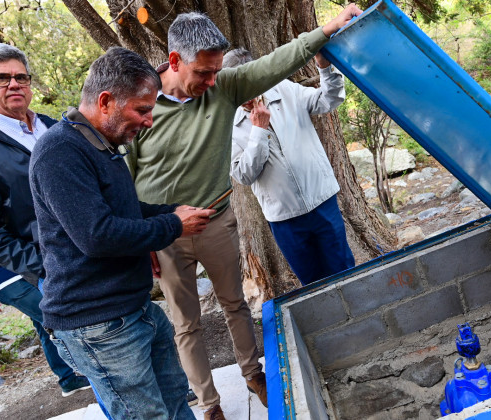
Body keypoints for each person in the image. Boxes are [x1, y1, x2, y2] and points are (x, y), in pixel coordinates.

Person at [125, 5, 362, 418]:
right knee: (186, 323)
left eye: (217, 72)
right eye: (203, 73)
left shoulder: (222, 87)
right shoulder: (141, 104)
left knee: (234, 304)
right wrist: (140, 238)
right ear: (175, 61)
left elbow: (277, 62)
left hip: (215, 220)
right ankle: (209, 403)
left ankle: (254, 375)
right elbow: (123, 177)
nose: (212, 82)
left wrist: (327, 28)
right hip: (163, 231)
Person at [29, 46, 213, 420]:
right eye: (142, 110)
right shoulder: (60, 152)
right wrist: (173, 226)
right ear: (106, 101)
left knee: (177, 401)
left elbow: (123, 211)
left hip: (135, 308)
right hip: (98, 323)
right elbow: (98, 236)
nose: (149, 121)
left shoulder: (103, 145)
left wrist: (170, 211)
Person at [0, 43, 90, 397]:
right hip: (54, 273)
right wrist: (47, 266)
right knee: (97, 364)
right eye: (1, 78)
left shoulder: (55, 126)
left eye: (20, 77)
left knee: (135, 346)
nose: (14, 84)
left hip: (98, 253)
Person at [224, 48, 355, 286]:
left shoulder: (283, 90)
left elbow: (329, 99)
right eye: (236, 85)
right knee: (313, 284)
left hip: (322, 201)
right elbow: (243, 174)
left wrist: (325, 68)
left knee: (345, 270)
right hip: (284, 218)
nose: (245, 91)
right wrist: (259, 131)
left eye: (249, 81)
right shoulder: (227, 124)